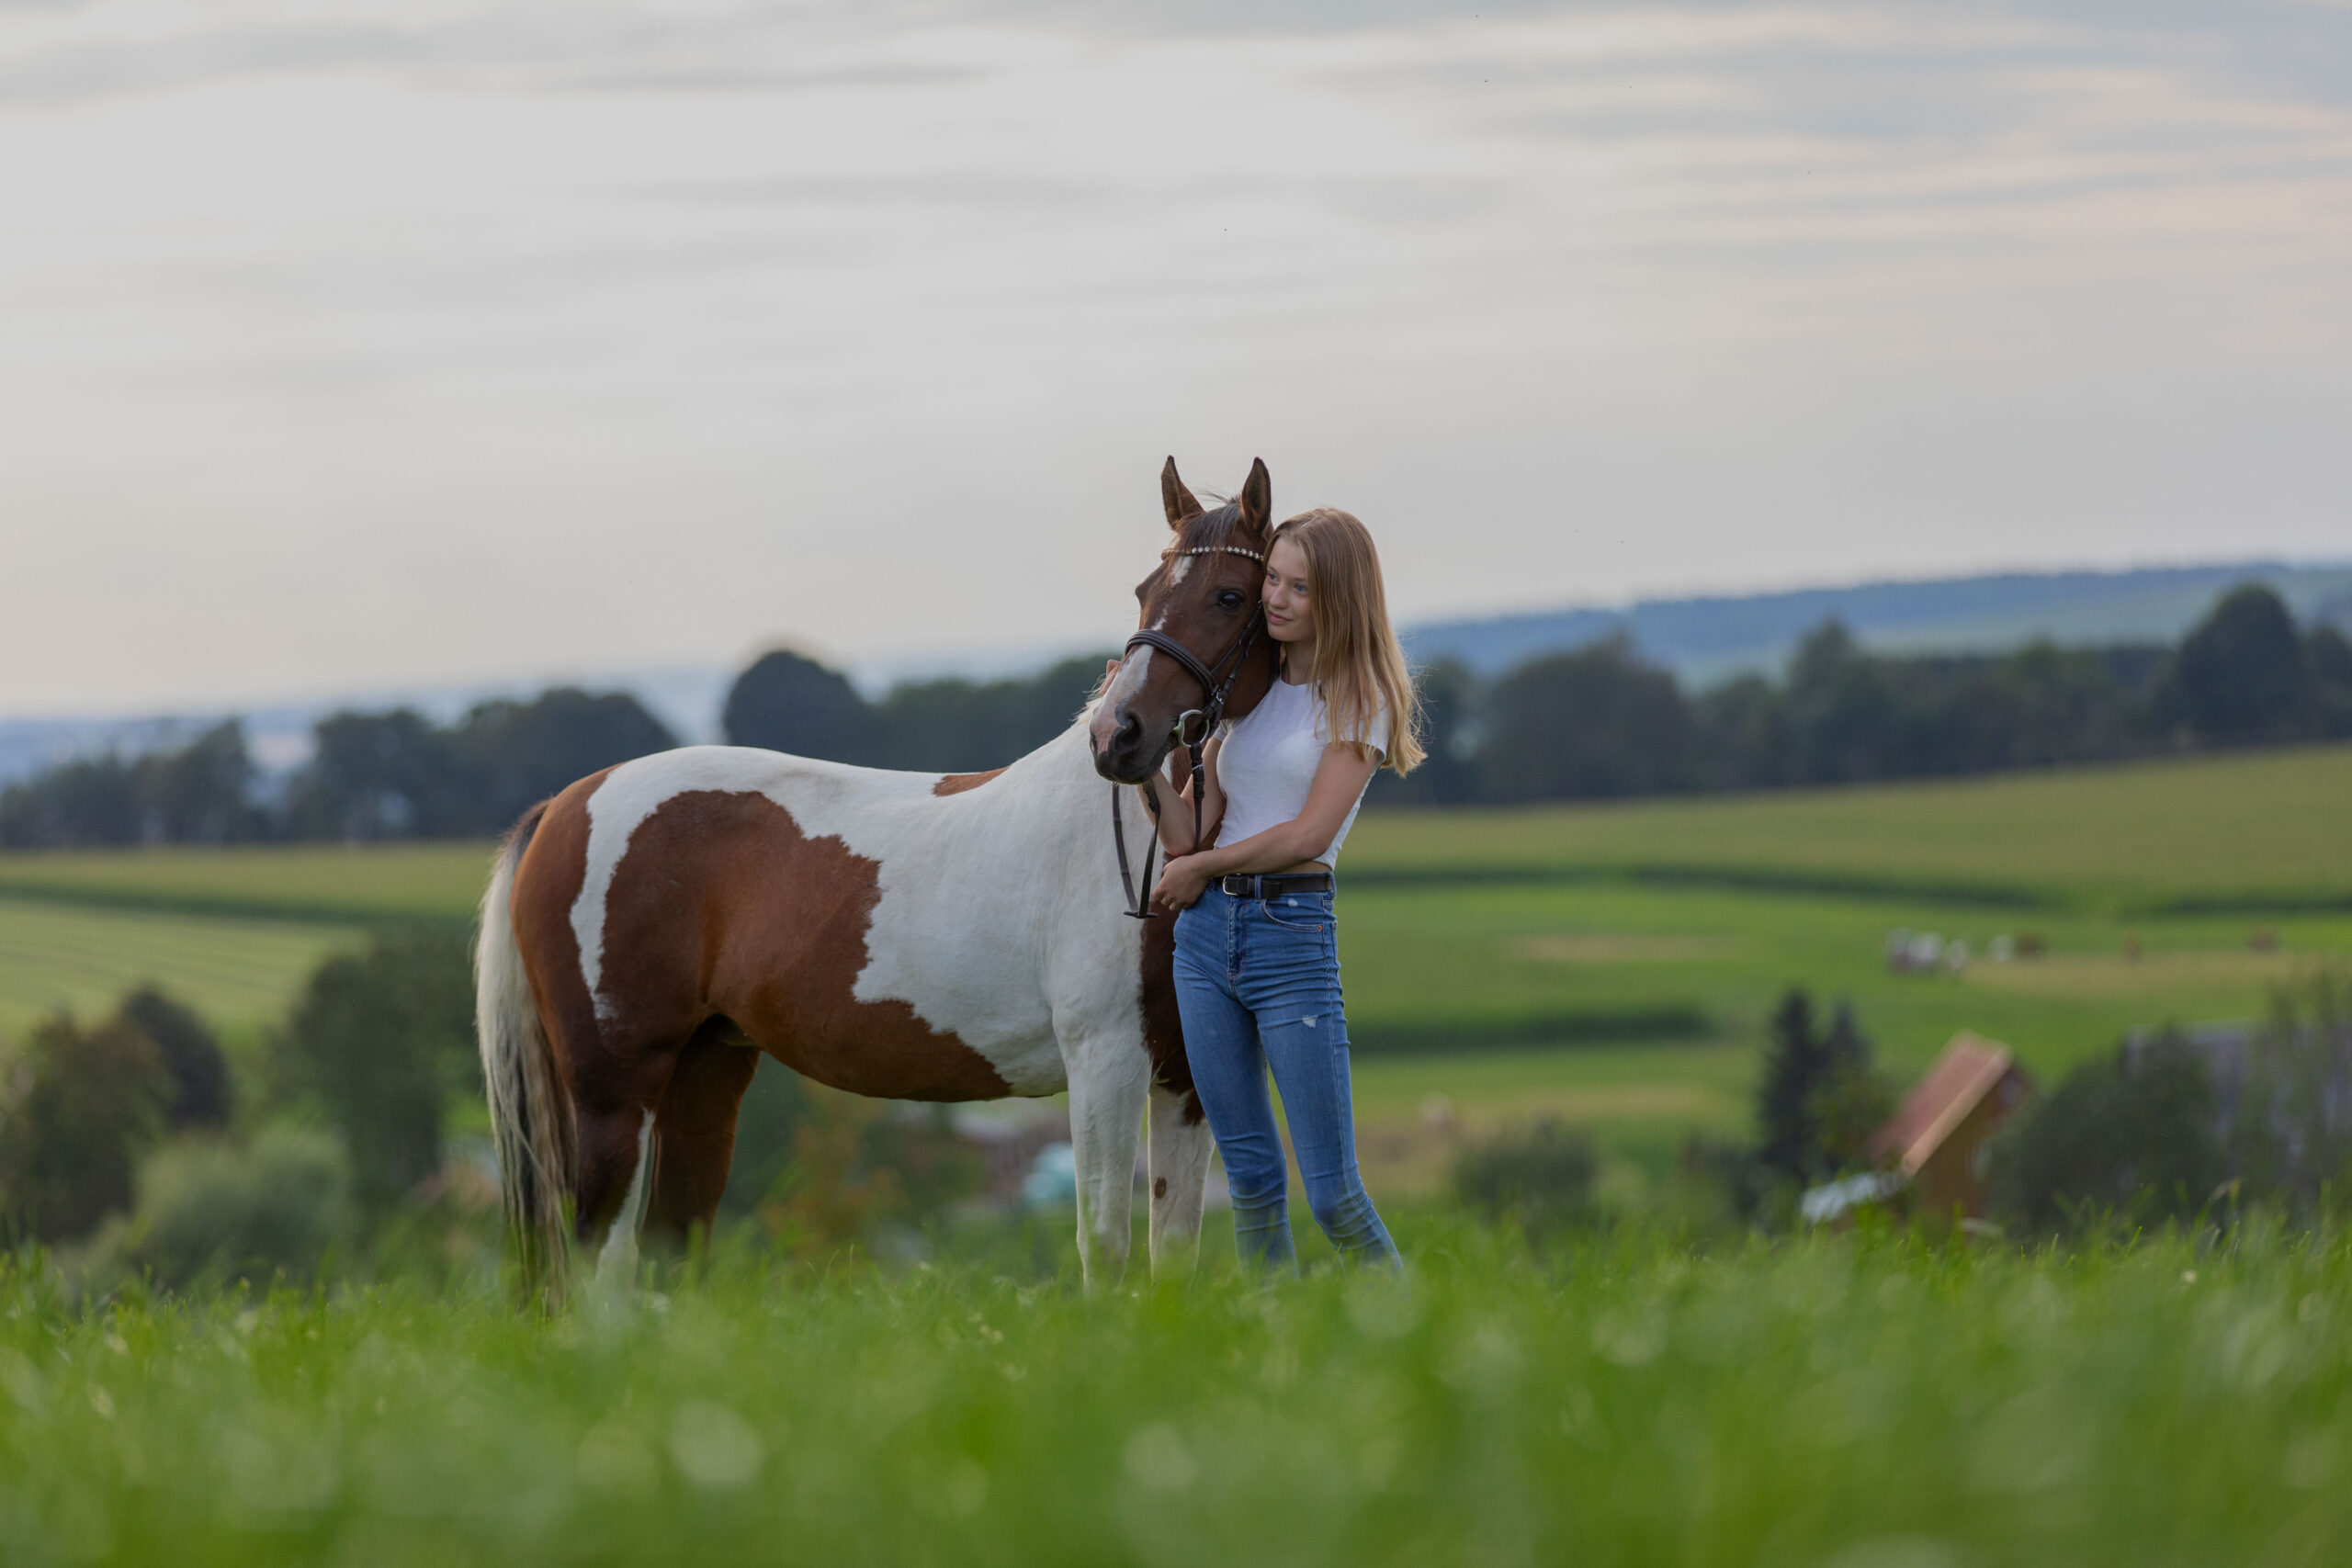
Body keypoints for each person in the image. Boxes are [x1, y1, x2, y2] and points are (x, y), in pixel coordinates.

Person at [1136, 507, 1422, 1271]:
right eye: (1274, 579)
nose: (1277, 599)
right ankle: (1277, 1359)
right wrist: (1143, 762)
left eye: (1301, 586)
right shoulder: (1249, 700)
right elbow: (1187, 832)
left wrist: (1199, 870)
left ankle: (1414, 1324)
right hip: (1204, 945)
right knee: (1255, 1179)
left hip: (1289, 938)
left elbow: (1307, 835)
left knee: (1332, 1192)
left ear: (1342, 598)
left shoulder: (1358, 698)